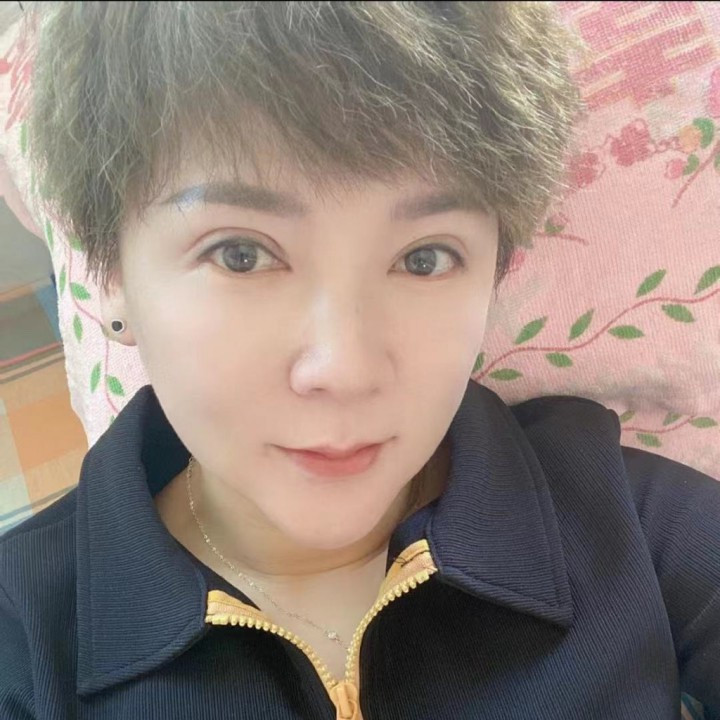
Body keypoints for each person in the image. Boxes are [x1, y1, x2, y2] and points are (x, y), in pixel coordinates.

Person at [1, 2, 718, 718]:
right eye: (241, 254)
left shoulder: (626, 519)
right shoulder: (22, 631)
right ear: (113, 277)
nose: (344, 370)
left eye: (425, 258)